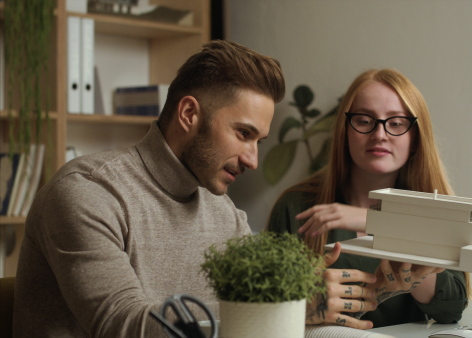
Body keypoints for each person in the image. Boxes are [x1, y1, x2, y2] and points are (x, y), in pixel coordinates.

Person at [13, 40, 290, 337]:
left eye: (258, 141)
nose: (253, 160)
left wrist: (296, 290)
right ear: (188, 115)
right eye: (243, 133)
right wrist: (276, 308)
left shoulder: (226, 214)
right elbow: (122, 324)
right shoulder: (88, 191)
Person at [267, 68, 471, 329]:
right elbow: (263, 309)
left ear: (415, 138)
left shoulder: (434, 210)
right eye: (364, 120)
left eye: (396, 123)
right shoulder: (297, 207)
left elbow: (452, 308)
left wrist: (377, 223)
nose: (380, 134)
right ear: (345, 130)